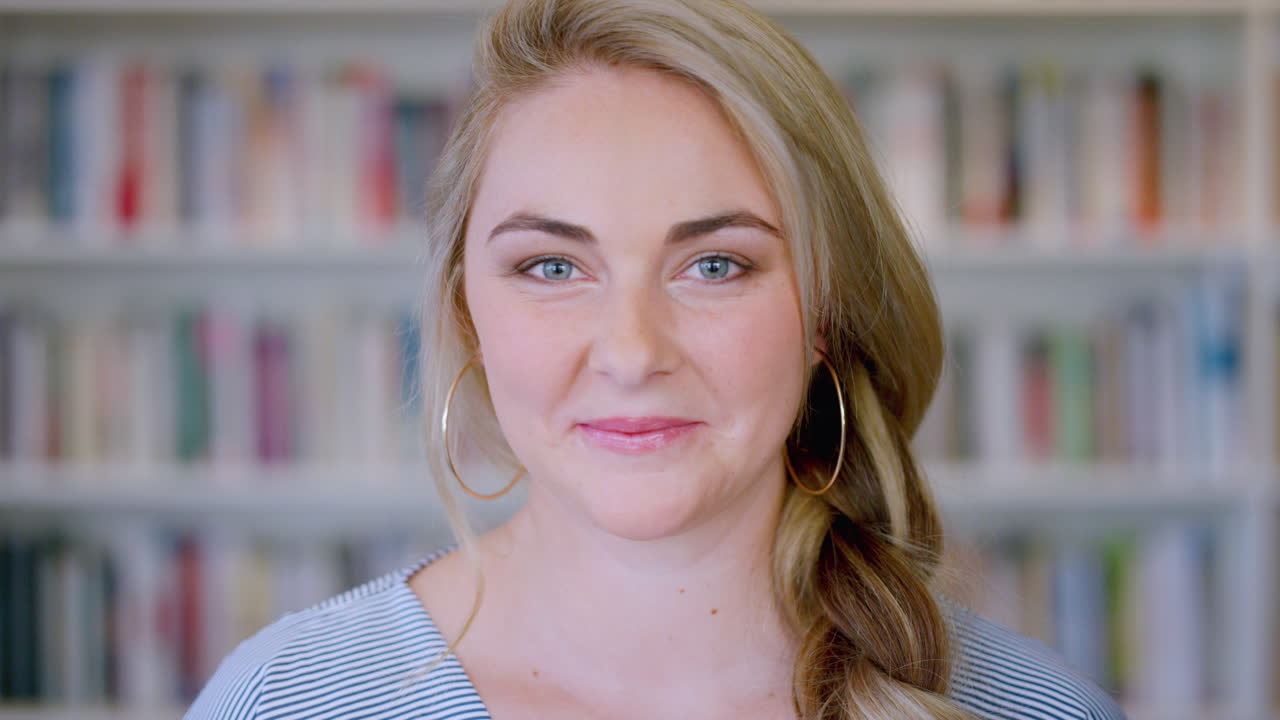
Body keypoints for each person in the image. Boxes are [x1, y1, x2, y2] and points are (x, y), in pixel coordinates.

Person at [186, 0, 1127, 718]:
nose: (632, 352)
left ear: (826, 315)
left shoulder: (1030, 707)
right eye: (552, 266)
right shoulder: (288, 700)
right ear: (467, 310)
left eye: (715, 265)